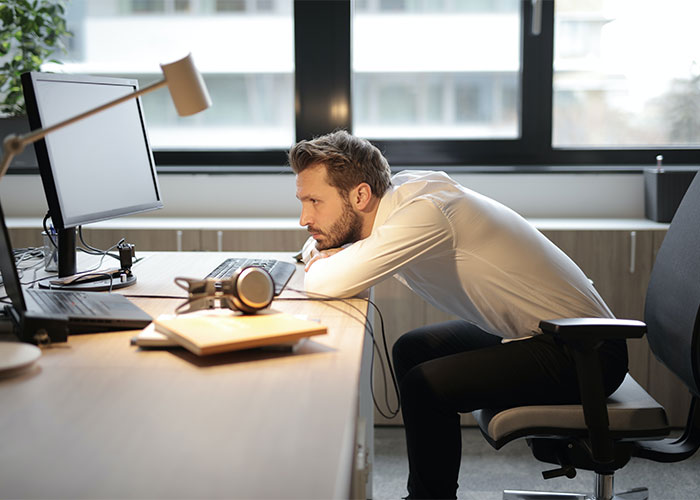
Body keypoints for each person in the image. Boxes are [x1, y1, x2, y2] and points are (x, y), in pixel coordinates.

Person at [289, 130, 628, 499]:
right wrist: (321, 254)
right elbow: (319, 253)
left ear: (360, 195)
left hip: (585, 350)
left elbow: (325, 281)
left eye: (315, 201)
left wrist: (321, 259)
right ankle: (429, 492)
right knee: (412, 349)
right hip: (540, 333)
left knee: (425, 386)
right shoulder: (402, 195)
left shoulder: (424, 214)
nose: (304, 217)